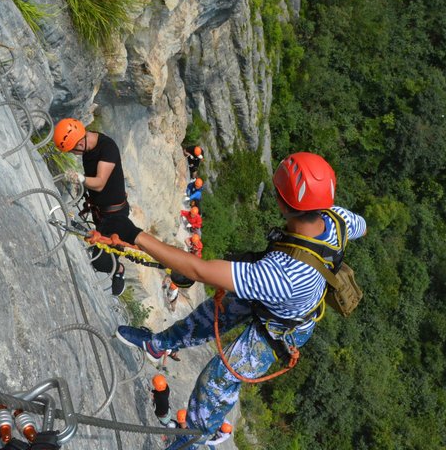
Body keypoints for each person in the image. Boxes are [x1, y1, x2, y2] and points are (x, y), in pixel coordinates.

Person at [114, 152, 367, 449]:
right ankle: (159, 346)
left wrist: (136, 236)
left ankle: (192, 442)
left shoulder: (283, 274)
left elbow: (199, 270)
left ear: (282, 201)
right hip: (281, 302)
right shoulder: (337, 219)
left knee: (215, 381)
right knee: (211, 314)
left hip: (281, 329)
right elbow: (361, 224)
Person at [53, 118, 137, 296]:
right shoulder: (87, 148)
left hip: (116, 216)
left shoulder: (108, 148)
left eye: (73, 149)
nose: (75, 153)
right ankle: (93, 240)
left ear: (80, 141)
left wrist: (81, 178)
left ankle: (118, 270)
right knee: (97, 247)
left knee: (101, 263)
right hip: (99, 211)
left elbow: (99, 183)